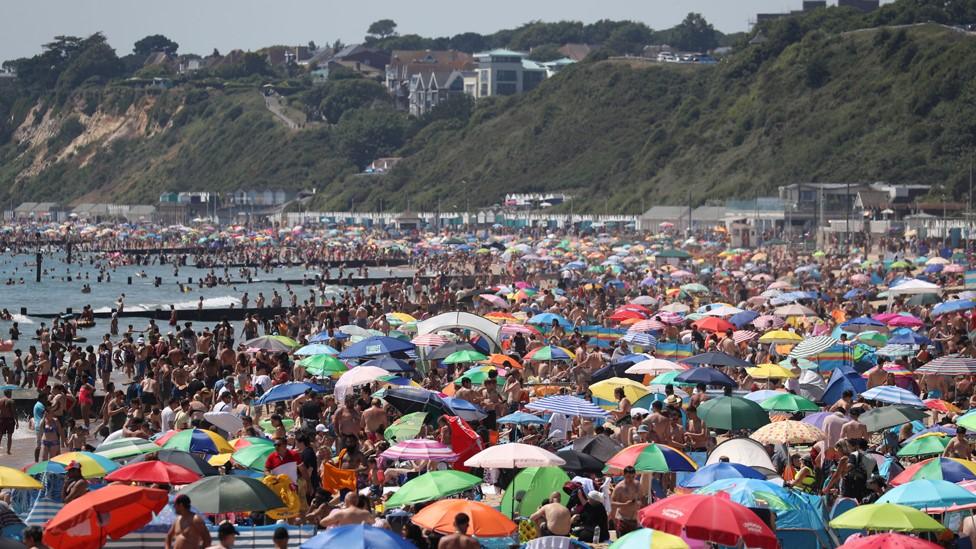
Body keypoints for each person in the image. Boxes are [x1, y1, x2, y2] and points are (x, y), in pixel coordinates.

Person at [610, 465, 641, 537]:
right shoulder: (619, 488)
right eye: (628, 477)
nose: (631, 479)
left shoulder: (637, 485)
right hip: (623, 519)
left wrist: (639, 503)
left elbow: (641, 498)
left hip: (634, 520)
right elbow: (612, 503)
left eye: (633, 477)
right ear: (624, 475)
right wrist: (625, 504)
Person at [0, 389, 16, 454]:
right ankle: (8, 451)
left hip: (1, 419)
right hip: (9, 420)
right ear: (9, 393)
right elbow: (14, 412)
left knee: (0, 435)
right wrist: (17, 421)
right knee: (9, 436)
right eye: (11, 392)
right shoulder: (11, 401)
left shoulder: (0, 400)